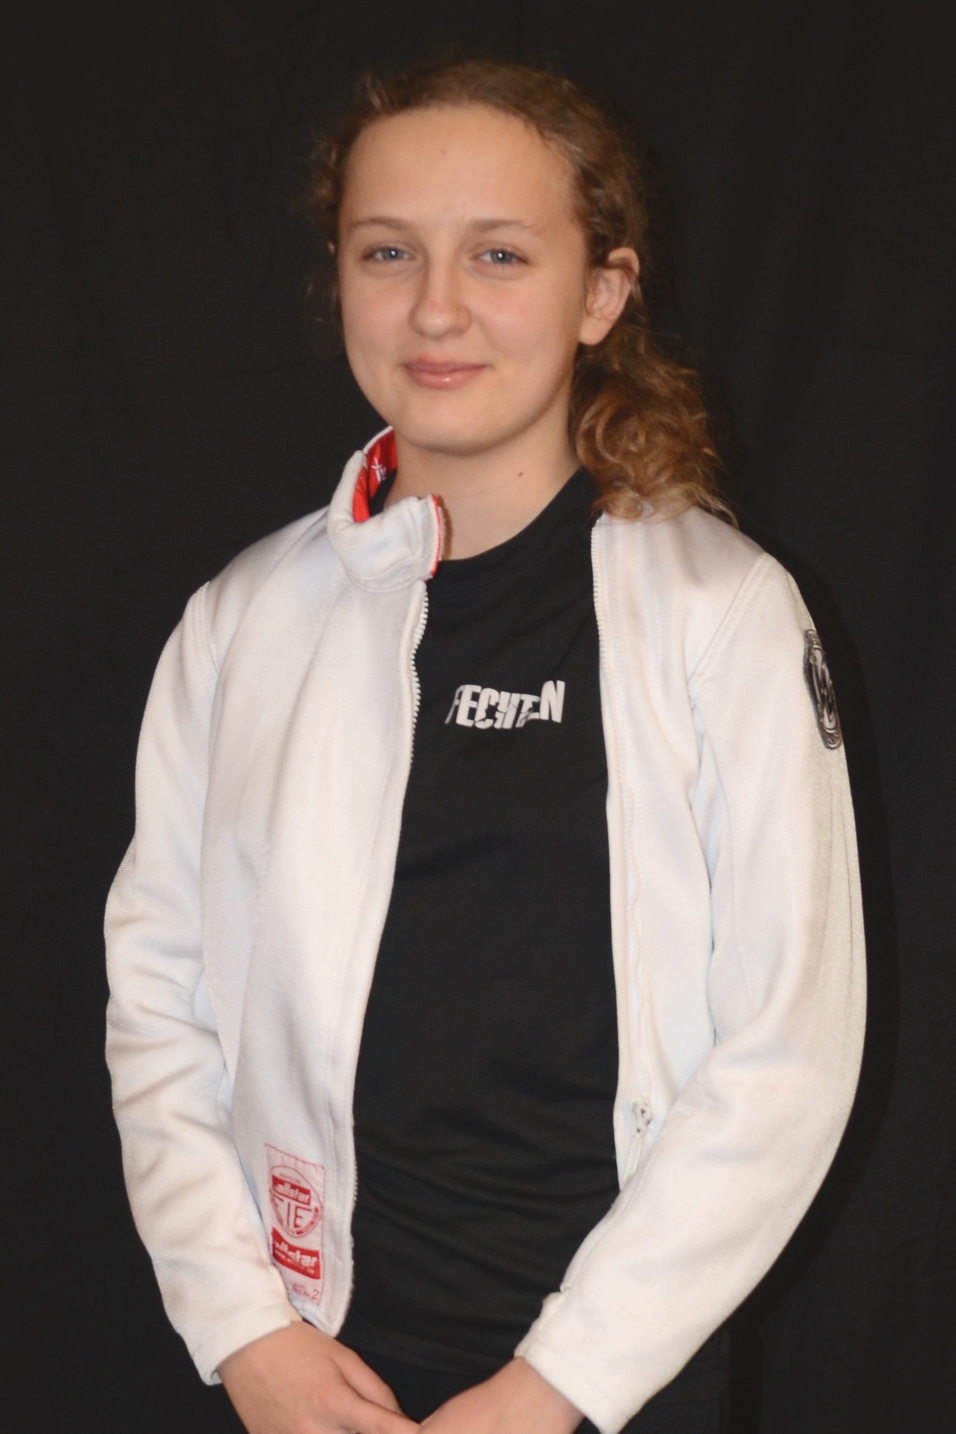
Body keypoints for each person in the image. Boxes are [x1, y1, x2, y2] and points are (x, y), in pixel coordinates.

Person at [104, 55, 865, 1434]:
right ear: (339, 276)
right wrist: (244, 1331)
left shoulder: (722, 617)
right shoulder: (243, 621)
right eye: (387, 251)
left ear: (602, 294)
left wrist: (553, 1387)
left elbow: (789, 1050)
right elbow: (159, 1000)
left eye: (499, 254)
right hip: (315, 1374)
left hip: (616, 1384)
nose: (436, 307)